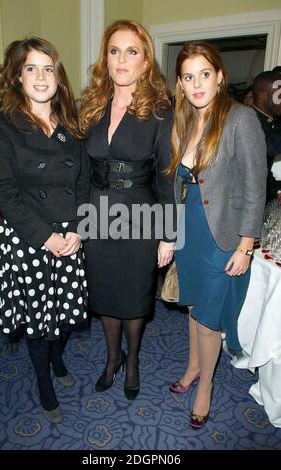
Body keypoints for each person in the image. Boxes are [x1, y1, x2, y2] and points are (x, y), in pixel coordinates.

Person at [0, 38, 89, 423]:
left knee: (63, 311)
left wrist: (79, 229)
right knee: (37, 319)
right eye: (32, 68)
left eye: (48, 68)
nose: (41, 76)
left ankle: (58, 357)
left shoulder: (72, 123)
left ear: (58, 78)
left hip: (71, 234)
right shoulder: (3, 125)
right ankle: (44, 382)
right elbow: (5, 192)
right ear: (18, 76)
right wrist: (46, 236)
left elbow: (83, 184)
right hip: (30, 237)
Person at [166, 42, 267, 429]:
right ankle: (193, 366)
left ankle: (205, 385)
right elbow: (177, 183)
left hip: (222, 235)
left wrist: (245, 245)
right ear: (180, 83)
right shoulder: (183, 121)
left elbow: (255, 186)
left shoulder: (241, 118)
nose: (197, 84)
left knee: (209, 319)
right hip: (189, 232)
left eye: (204, 74)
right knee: (193, 307)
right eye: (188, 77)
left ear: (220, 76)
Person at [78, 20, 175, 400]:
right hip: (97, 214)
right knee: (103, 295)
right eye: (114, 50)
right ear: (106, 57)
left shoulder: (161, 110)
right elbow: (82, 170)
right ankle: (110, 358)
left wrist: (169, 234)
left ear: (145, 60)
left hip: (140, 216)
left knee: (135, 297)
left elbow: (167, 177)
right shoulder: (91, 106)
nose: (122, 59)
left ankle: (132, 361)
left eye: (131, 51)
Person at [253, 71, 281, 202]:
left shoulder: (272, 122)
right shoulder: (248, 121)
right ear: (263, 96)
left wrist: (276, 191)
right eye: (279, 96)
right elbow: (264, 147)